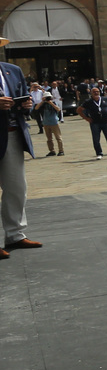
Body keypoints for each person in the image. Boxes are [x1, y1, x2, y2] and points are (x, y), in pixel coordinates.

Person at [0, 48, 39, 260]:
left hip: (13, 134)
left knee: (16, 187)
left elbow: (25, 104)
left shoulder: (12, 70)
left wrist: (27, 105)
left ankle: (15, 234)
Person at [80, 85, 107, 159]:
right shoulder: (88, 101)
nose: (96, 93)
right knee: (96, 139)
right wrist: (86, 118)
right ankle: (99, 153)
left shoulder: (105, 99)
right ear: (91, 93)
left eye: (97, 91)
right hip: (95, 123)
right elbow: (79, 110)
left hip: (106, 122)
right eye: (94, 92)